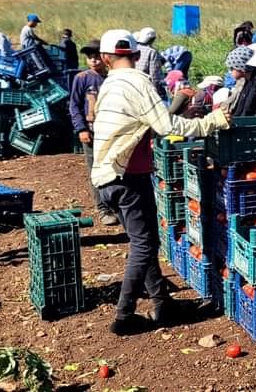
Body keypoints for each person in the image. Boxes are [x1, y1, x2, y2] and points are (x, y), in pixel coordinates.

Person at [90, 29, 230, 335]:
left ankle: (163, 303)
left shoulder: (108, 85)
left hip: (105, 177)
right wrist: (209, 122)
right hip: (127, 177)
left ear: (104, 58)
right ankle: (124, 316)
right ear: (138, 55)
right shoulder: (138, 80)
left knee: (143, 241)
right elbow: (166, 125)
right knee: (145, 244)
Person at [69, 40, 118, 226]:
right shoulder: (82, 78)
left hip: (112, 131)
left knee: (113, 167)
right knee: (95, 170)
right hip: (91, 130)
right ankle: (103, 208)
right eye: (90, 57)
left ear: (105, 57)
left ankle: (115, 203)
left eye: (97, 56)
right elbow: (74, 105)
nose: (93, 60)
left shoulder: (112, 78)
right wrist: (81, 128)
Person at [223, 45, 256, 117]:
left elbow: (248, 108)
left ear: (241, 67)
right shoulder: (247, 80)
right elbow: (240, 107)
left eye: (232, 68)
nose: (230, 71)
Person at [133, 27, 166, 98]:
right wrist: (156, 92)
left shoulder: (134, 48)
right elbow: (154, 75)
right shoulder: (152, 52)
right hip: (146, 87)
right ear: (152, 40)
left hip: (134, 85)